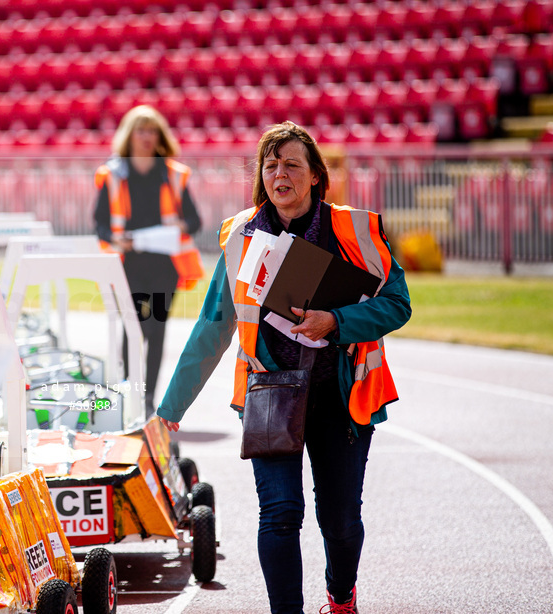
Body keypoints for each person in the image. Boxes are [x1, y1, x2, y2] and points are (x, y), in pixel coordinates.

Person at [157, 121, 411, 614]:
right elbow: (212, 327)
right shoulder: (240, 237)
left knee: (338, 520)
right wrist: (171, 408)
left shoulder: (352, 230)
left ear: (316, 175)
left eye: (292, 164)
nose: (280, 174)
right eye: (271, 165)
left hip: (342, 398)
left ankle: (341, 596)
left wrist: (334, 322)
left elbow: (398, 304)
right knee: (278, 515)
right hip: (271, 394)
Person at [94, 104, 204, 416]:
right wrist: (116, 239)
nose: (146, 136)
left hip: (164, 266)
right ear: (129, 135)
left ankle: (146, 399)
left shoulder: (172, 174)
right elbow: (100, 222)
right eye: (141, 130)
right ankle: (128, 391)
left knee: (155, 329)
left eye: (152, 130)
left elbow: (195, 220)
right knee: (134, 329)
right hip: (128, 264)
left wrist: (177, 228)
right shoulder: (113, 174)